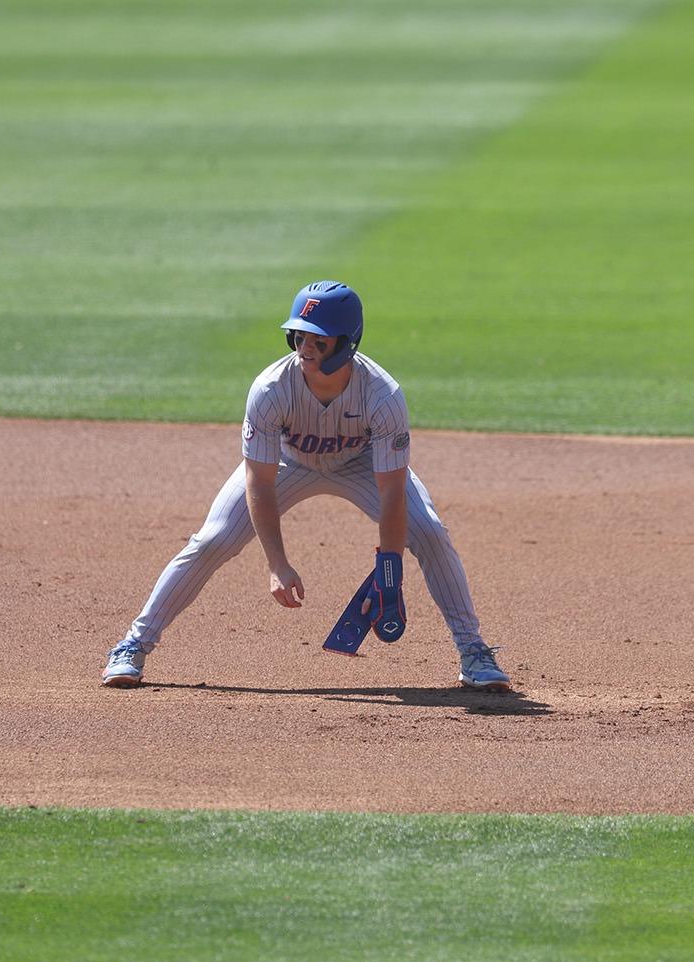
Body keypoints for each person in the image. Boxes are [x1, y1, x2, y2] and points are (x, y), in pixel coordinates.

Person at [101, 280, 511, 692]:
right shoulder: (270, 389)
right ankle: (132, 645)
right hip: (287, 462)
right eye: (299, 334)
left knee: (430, 533)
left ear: (347, 342)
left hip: (360, 465)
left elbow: (391, 490)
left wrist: (390, 571)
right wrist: (277, 563)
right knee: (213, 539)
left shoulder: (383, 396)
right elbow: (259, 481)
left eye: (318, 337)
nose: (304, 345)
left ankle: (473, 651)